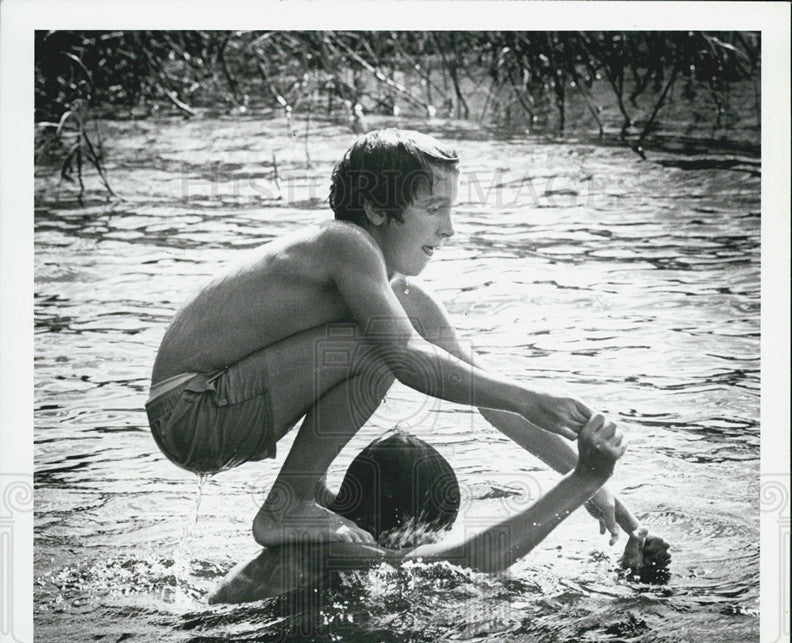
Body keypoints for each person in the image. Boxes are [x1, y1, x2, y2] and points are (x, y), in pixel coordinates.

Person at [147, 127, 665, 566]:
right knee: (383, 349)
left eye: (452, 209)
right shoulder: (343, 242)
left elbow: (488, 399)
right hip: (192, 407)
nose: (450, 229)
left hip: (221, 411)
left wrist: (598, 491)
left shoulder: (398, 293)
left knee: (391, 350)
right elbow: (409, 359)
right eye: (434, 208)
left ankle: (308, 496)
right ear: (375, 208)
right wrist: (531, 396)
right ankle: (291, 501)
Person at [208, 417, 670, 606]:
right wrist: (583, 479)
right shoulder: (346, 548)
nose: (433, 542)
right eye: (432, 533)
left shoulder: (320, 517)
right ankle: (626, 590)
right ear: (409, 527)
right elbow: (477, 556)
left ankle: (623, 583)